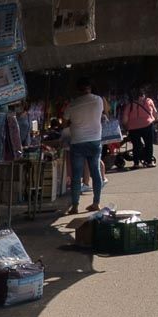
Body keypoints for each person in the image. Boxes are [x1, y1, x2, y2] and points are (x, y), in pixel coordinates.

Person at [63, 77, 104, 214]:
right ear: (90, 88)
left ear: (77, 90)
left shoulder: (72, 105)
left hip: (78, 142)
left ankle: (75, 206)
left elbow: (65, 120)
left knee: (76, 175)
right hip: (95, 141)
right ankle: (96, 203)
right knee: (96, 173)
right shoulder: (98, 100)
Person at [123, 87, 158, 168]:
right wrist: (156, 119)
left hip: (133, 127)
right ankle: (149, 162)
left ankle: (136, 163)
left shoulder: (130, 104)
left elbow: (125, 118)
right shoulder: (149, 101)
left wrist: (125, 126)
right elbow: (155, 112)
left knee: (136, 145)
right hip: (147, 125)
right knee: (149, 144)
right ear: (144, 94)